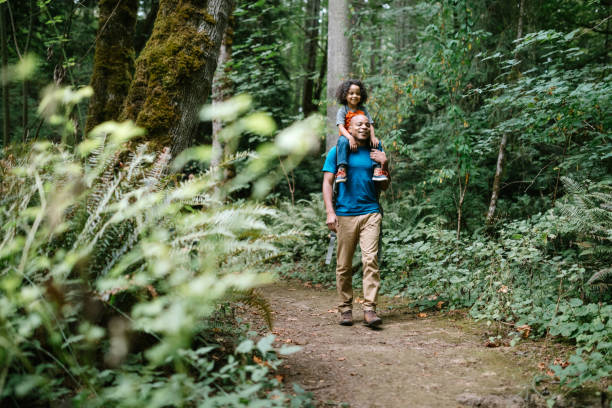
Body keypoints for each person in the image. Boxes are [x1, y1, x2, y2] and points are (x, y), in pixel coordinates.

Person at [322, 114, 390, 327]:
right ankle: (345, 309)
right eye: (358, 124)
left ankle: (370, 309)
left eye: (366, 124)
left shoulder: (374, 152)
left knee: (371, 260)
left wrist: (385, 163)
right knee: (344, 265)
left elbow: (384, 186)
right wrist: (330, 212)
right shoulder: (338, 151)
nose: (363, 127)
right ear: (348, 128)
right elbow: (327, 182)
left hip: (370, 212)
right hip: (344, 214)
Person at [334, 79, 388, 184]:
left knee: (375, 143)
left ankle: (377, 169)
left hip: (362, 136)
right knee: (342, 142)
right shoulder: (343, 110)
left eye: (358, 94)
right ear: (345, 95)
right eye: (351, 93)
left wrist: (372, 137)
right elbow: (340, 127)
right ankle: (342, 169)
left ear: (361, 96)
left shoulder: (363, 109)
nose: (354, 96)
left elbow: (370, 125)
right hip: (347, 136)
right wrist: (350, 138)